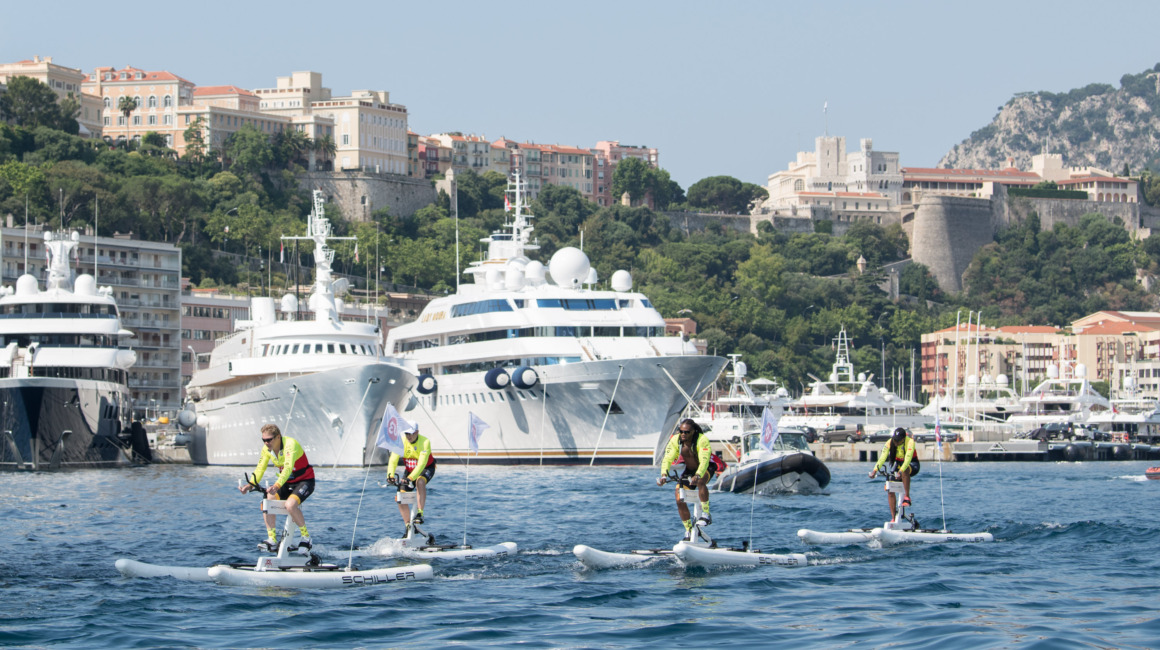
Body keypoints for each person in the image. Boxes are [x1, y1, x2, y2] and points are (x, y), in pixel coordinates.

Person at [238, 423, 316, 552]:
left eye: (269, 440)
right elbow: (260, 468)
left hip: (305, 481)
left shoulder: (290, 444)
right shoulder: (266, 449)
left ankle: (306, 538)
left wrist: (276, 485)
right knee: (268, 500)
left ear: (278, 437)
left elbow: (288, 468)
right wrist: (250, 485)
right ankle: (272, 539)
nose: (266, 443)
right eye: (263, 440)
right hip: (287, 482)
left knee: (290, 505)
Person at [657, 419, 722, 534]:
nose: (683, 434)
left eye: (686, 432)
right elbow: (668, 458)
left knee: (700, 481)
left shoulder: (702, 440)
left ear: (693, 431)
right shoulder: (676, 440)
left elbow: (704, 461)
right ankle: (689, 530)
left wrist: (698, 475)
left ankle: (706, 514)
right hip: (689, 471)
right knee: (679, 498)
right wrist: (663, 475)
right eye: (681, 431)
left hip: (706, 468)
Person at [387, 422, 436, 528]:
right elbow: (393, 460)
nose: (409, 436)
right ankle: (408, 526)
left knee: (420, 482)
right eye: (407, 434)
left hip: (426, 468)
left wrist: (410, 478)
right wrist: (390, 476)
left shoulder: (425, 442)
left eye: (411, 433)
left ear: (417, 432)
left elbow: (421, 464)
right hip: (410, 470)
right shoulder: (400, 442)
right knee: (400, 494)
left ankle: (420, 514)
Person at [868, 427, 920, 520]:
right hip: (898, 464)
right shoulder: (889, 442)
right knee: (890, 487)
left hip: (912, 464)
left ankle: (907, 497)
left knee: (904, 470)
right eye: (895, 440)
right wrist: (874, 470)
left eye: (898, 440)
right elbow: (882, 457)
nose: (896, 442)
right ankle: (893, 518)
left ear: (903, 439)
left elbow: (907, 459)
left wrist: (900, 471)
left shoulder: (910, 442)